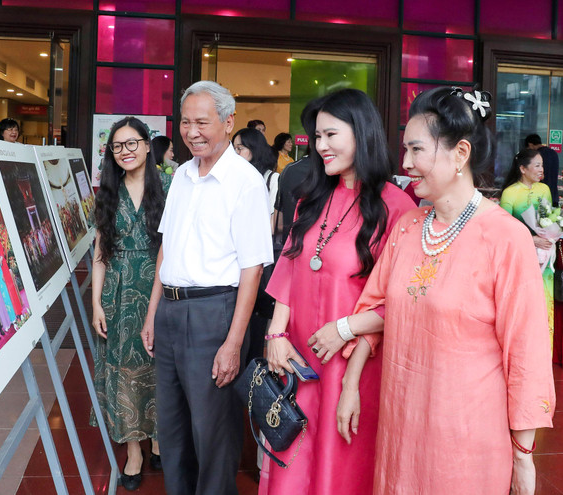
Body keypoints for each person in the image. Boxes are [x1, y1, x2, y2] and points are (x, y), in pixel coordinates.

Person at [308, 87, 556, 494]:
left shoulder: (504, 237)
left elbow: (525, 352)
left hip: (466, 441)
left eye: (416, 150)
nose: (405, 164)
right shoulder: (407, 228)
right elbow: (377, 310)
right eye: (404, 150)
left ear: (460, 154)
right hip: (400, 430)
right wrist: (350, 386)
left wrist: (523, 454)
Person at [260, 89, 414, 495]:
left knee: (340, 469)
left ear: (361, 134)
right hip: (298, 361)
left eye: (331, 135)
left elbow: (395, 303)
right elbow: (290, 266)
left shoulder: (395, 208)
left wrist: (343, 332)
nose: (320, 146)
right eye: (317, 136)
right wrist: (275, 334)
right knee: (292, 466)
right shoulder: (310, 197)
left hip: (352, 364)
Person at [141, 81, 273, 495]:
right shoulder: (181, 174)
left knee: (213, 434)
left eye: (202, 122)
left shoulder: (245, 182)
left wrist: (234, 342)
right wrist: (151, 314)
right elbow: (167, 247)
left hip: (215, 313)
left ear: (228, 122)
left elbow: (252, 269)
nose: (192, 131)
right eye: (185, 122)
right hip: (171, 313)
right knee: (173, 429)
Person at [91, 117, 171, 491]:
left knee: (159, 369)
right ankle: (135, 450)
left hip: (161, 289)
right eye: (117, 146)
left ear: (147, 143)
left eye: (132, 143)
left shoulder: (171, 185)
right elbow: (100, 254)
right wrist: (96, 305)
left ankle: (158, 437)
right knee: (123, 374)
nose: (125, 152)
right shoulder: (108, 192)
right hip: (119, 295)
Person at [232, 127, 281, 364]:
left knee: (256, 320)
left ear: (254, 149)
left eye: (239, 148)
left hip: (259, 260)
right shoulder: (232, 178)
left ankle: (251, 379)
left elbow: (269, 224)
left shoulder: (271, 179)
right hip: (236, 263)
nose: (234, 153)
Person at [499, 148, 554, 348]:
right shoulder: (510, 193)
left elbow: (548, 220)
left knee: (544, 301)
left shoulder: (544, 190)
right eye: (537, 165)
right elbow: (503, 228)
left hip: (545, 257)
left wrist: (550, 235)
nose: (541, 169)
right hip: (520, 256)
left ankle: (543, 348)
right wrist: (531, 239)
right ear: (523, 169)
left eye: (542, 165)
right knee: (523, 303)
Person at [526, 133, 559, 205]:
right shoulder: (554, 153)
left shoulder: (536, 156)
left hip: (540, 197)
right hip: (554, 196)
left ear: (530, 145)